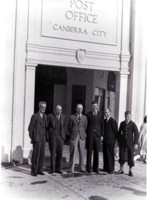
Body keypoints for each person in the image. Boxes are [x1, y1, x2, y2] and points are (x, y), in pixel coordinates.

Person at [116, 111, 139, 176]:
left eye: (128, 116)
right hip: (123, 142)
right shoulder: (122, 123)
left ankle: (130, 170)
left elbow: (136, 134)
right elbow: (119, 132)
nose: (127, 118)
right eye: (126, 116)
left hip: (130, 143)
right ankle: (121, 169)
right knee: (121, 155)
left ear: (130, 116)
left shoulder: (132, 124)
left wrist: (135, 143)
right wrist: (118, 140)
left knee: (130, 156)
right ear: (124, 116)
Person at [28, 101, 48, 176]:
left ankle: (40, 170)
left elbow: (46, 127)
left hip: (43, 138)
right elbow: (30, 128)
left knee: (42, 154)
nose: (43, 109)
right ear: (39, 107)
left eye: (45, 107)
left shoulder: (45, 116)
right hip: (37, 138)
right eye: (42, 107)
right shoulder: (35, 116)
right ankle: (34, 171)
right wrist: (33, 137)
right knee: (36, 155)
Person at [68, 104, 88, 173]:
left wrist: (82, 133)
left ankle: (82, 168)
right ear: (76, 109)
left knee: (82, 153)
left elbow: (85, 127)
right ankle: (71, 169)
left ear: (82, 109)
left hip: (82, 136)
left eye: (81, 109)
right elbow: (69, 127)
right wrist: (73, 132)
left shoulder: (85, 118)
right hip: (74, 136)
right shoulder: (72, 117)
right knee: (73, 152)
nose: (80, 110)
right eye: (78, 109)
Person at [47, 105, 66, 174]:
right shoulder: (50, 116)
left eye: (60, 110)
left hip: (60, 137)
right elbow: (47, 126)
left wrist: (63, 135)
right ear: (55, 110)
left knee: (60, 153)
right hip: (53, 136)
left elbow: (64, 126)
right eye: (58, 110)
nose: (59, 111)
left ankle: (58, 169)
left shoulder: (63, 116)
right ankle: (52, 168)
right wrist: (50, 133)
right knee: (53, 152)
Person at [86, 101, 103, 174]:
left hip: (97, 135)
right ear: (91, 107)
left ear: (97, 106)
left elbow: (102, 125)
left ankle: (96, 168)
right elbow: (86, 125)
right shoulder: (88, 114)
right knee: (89, 151)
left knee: (96, 152)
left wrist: (102, 135)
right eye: (93, 106)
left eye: (95, 106)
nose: (94, 108)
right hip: (90, 135)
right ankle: (89, 168)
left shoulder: (100, 114)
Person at [103, 108, 118, 174]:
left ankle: (111, 169)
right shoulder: (104, 121)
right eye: (105, 112)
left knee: (110, 155)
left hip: (111, 140)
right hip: (105, 140)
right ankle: (106, 167)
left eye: (107, 112)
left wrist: (115, 141)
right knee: (105, 154)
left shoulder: (113, 121)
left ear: (110, 113)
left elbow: (116, 132)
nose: (105, 113)